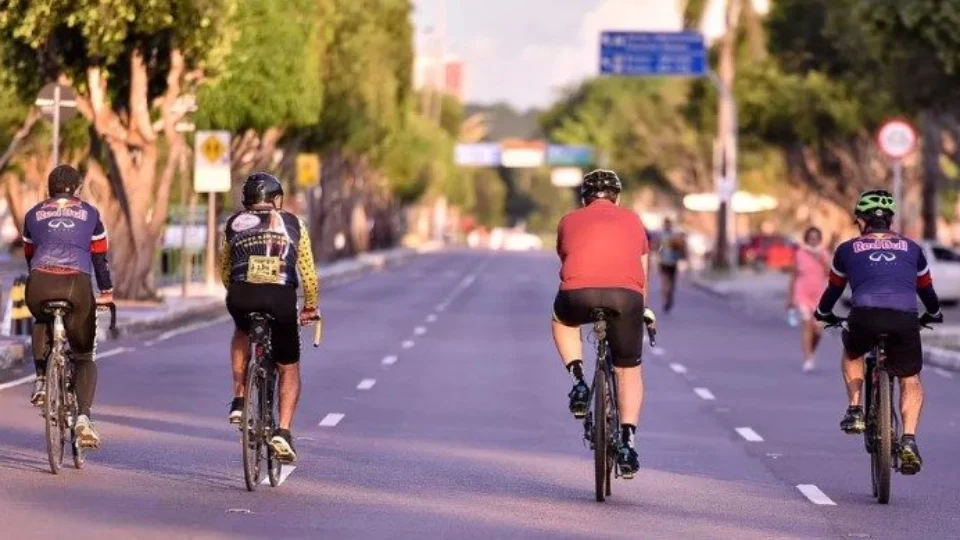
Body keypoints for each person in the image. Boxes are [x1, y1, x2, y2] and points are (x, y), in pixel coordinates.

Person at [815, 189, 943, 475]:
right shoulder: (912, 248)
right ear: (891, 221)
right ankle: (908, 440)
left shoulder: (847, 249)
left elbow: (834, 288)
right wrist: (933, 313)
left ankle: (855, 410)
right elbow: (926, 289)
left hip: (865, 316)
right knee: (910, 378)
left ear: (861, 221)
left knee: (852, 351)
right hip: (904, 318)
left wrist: (823, 312)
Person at [552, 169, 656, 478]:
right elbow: (642, 275)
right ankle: (627, 443)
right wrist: (642, 310)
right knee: (628, 369)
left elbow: (568, 259)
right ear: (617, 197)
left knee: (562, 320)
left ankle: (579, 381)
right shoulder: (634, 221)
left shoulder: (568, 220)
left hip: (577, 295)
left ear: (584, 199)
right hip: (626, 298)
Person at [221, 172, 320, 463]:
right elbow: (309, 277)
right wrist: (310, 307)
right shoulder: (294, 224)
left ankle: (239, 399)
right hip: (281, 298)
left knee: (241, 330)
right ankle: (283, 431)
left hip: (241, 294)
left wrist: (238, 292)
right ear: (277, 199)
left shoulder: (234, 223)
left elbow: (225, 268)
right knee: (288, 367)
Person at [22, 164, 113, 449]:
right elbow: (99, 258)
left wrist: (42, 277)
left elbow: (30, 254)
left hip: (39, 283)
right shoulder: (91, 213)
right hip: (77, 285)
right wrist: (107, 291)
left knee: (41, 318)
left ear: (50, 189)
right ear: (76, 189)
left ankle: (39, 379)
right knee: (84, 356)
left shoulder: (33, 213)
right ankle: (84, 417)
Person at [787, 226, 830, 373]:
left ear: (819, 239)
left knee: (818, 330)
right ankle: (808, 358)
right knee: (807, 326)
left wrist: (821, 259)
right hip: (802, 294)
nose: (813, 240)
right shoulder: (800, 253)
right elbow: (793, 276)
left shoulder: (824, 253)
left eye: (816, 237)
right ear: (806, 238)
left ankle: (811, 350)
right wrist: (790, 299)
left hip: (819, 295)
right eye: (811, 237)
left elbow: (829, 273)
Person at [658, 217, 686, 313]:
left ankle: (667, 298)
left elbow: (659, 249)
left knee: (667, 283)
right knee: (668, 282)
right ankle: (668, 298)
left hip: (668, 262)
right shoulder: (673, 235)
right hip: (669, 262)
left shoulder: (664, 235)